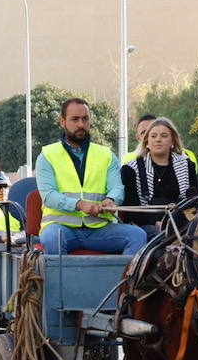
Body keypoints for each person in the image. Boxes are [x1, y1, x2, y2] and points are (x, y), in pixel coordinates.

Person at [35, 98, 147, 256]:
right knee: (52, 237)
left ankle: (122, 280)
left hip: (99, 229)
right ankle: (63, 281)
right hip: (61, 228)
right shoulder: (47, 155)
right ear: (62, 122)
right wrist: (79, 204)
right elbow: (49, 196)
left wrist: (112, 199)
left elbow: (117, 188)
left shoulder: (106, 155)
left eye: (85, 119)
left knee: (137, 235)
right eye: (74, 119)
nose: (81, 124)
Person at [120, 116, 198, 238]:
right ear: (146, 142)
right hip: (144, 225)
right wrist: (157, 223)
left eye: (164, 136)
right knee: (162, 236)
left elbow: (194, 202)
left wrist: (178, 222)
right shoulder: (130, 169)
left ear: (172, 141)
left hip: (180, 222)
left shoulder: (187, 165)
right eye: (153, 136)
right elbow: (130, 209)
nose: (158, 140)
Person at [122, 112, 198, 174]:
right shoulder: (128, 162)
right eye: (144, 133)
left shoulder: (186, 157)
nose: (157, 139)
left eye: (163, 135)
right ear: (138, 138)